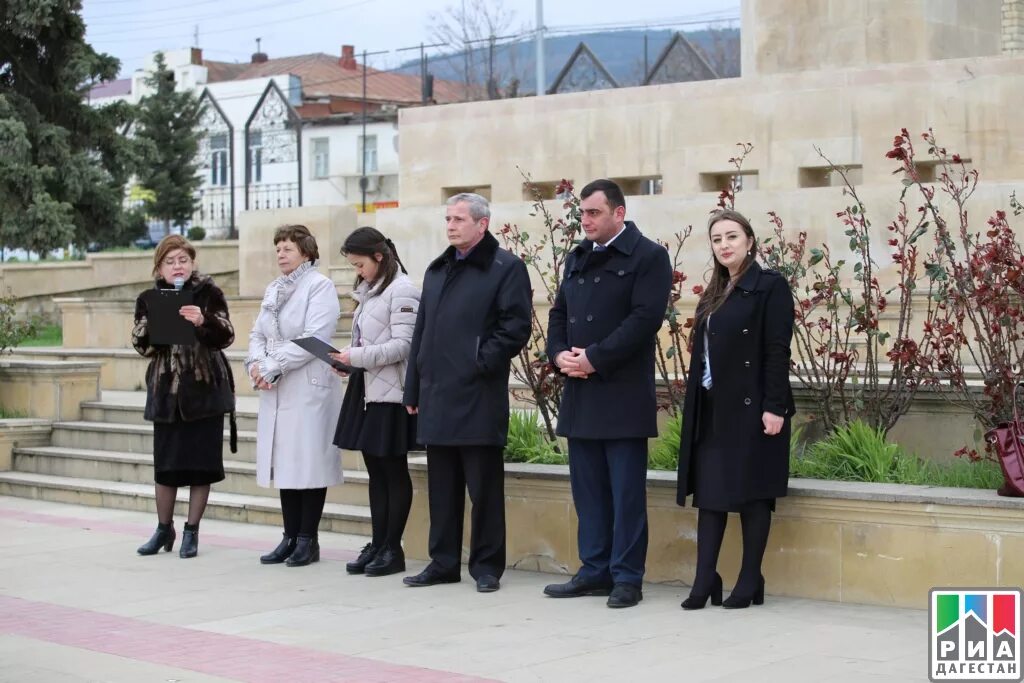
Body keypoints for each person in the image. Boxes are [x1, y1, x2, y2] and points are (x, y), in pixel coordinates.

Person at [543, 179, 672, 609]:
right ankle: (593, 569)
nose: (586, 221)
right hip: (580, 394)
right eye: (582, 214)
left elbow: (644, 318)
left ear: (618, 213)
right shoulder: (577, 257)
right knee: (589, 492)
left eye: (594, 213)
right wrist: (559, 354)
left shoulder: (649, 257)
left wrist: (594, 358)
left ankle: (627, 578)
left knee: (626, 494)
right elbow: (558, 311)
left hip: (619, 393)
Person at [402, 192, 532, 593]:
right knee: (441, 488)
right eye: (448, 219)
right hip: (438, 393)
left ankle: (487, 567)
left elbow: (515, 326)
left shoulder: (505, 267)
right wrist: (413, 384)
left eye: (459, 219)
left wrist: (479, 361)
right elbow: (421, 331)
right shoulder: (437, 269)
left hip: (478, 395)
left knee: (485, 489)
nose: (451, 225)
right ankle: (442, 562)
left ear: (482, 223)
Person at [676, 209, 795, 610]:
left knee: (752, 493)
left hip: (755, 406)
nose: (724, 245)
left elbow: (778, 350)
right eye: (716, 239)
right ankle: (705, 578)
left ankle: (749, 579)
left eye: (731, 236)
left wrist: (774, 406)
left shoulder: (770, 286)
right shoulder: (715, 290)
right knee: (710, 494)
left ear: (749, 240)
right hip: (712, 405)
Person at [132, 234, 237, 559]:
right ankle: (164, 528)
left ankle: (192, 530)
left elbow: (227, 334)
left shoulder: (209, 293)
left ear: (192, 263)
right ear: (160, 266)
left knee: (200, 466)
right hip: (166, 394)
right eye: (170, 261)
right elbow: (140, 344)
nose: (177, 266)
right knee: (166, 467)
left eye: (183, 260)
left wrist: (202, 321)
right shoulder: (149, 297)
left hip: (204, 393)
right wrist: (154, 329)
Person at [247, 225, 343, 568]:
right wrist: (257, 365)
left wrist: (273, 365)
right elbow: (257, 333)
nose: (281, 254)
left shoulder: (320, 286)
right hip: (277, 387)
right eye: (277, 249)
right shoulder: (274, 289)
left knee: (308, 462)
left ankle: (307, 539)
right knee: (285, 463)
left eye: (287, 248)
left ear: (306, 252)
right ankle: (289, 536)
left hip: (307, 385)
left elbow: (313, 337)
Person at [331, 227, 420, 578]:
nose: (358, 271)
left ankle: (392, 548)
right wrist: (347, 361)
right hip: (367, 389)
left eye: (360, 264)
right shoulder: (371, 290)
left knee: (392, 470)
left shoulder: (403, 290)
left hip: (392, 393)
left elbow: (404, 345)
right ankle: (378, 541)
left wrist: (358, 356)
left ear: (379, 257)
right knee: (375, 471)